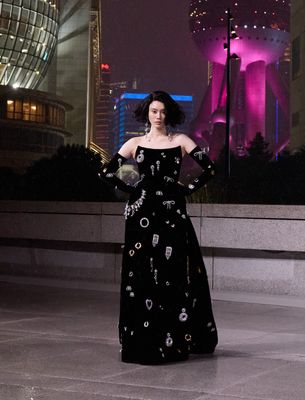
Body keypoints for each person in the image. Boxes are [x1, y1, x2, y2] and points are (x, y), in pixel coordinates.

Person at [100, 90, 218, 365]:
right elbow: (105, 172)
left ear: (169, 113)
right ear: (147, 113)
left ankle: (174, 338)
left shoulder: (180, 141)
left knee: (173, 272)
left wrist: (186, 190)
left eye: (163, 111)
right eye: (154, 111)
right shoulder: (135, 143)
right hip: (141, 214)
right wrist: (132, 191)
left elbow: (209, 169)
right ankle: (142, 339)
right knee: (141, 275)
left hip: (172, 213)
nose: (159, 116)